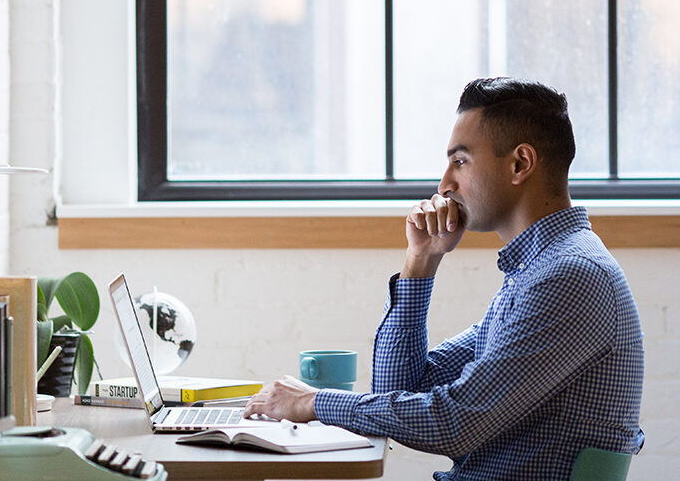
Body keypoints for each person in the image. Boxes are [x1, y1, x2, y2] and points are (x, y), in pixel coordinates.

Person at [246, 77, 645, 479]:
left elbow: (455, 424)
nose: (444, 185)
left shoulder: (569, 277)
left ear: (520, 164)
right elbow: (398, 390)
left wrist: (312, 403)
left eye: (460, 161)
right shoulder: (535, 273)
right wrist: (421, 260)